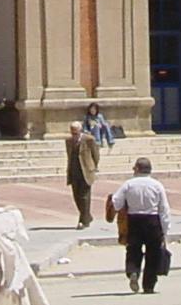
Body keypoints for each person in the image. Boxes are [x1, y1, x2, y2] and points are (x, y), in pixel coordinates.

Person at [111, 157, 170, 295]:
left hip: (134, 220)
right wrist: (165, 230)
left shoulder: (129, 184)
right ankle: (149, 285)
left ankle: (133, 272)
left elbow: (116, 202)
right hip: (153, 220)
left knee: (133, 250)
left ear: (137, 169)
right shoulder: (157, 185)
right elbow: (164, 209)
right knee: (153, 253)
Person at [66, 122, 100, 228]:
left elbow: (95, 154)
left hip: (86, 171)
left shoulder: (89, 139)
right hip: (74, 171)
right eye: (72, 131)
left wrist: (93, 166)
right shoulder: (69, 141)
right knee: (77, 196)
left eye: (75, 131)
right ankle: (87, 216)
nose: (74, 134)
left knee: (85, 197)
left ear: (80, 130)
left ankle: (83, 221)